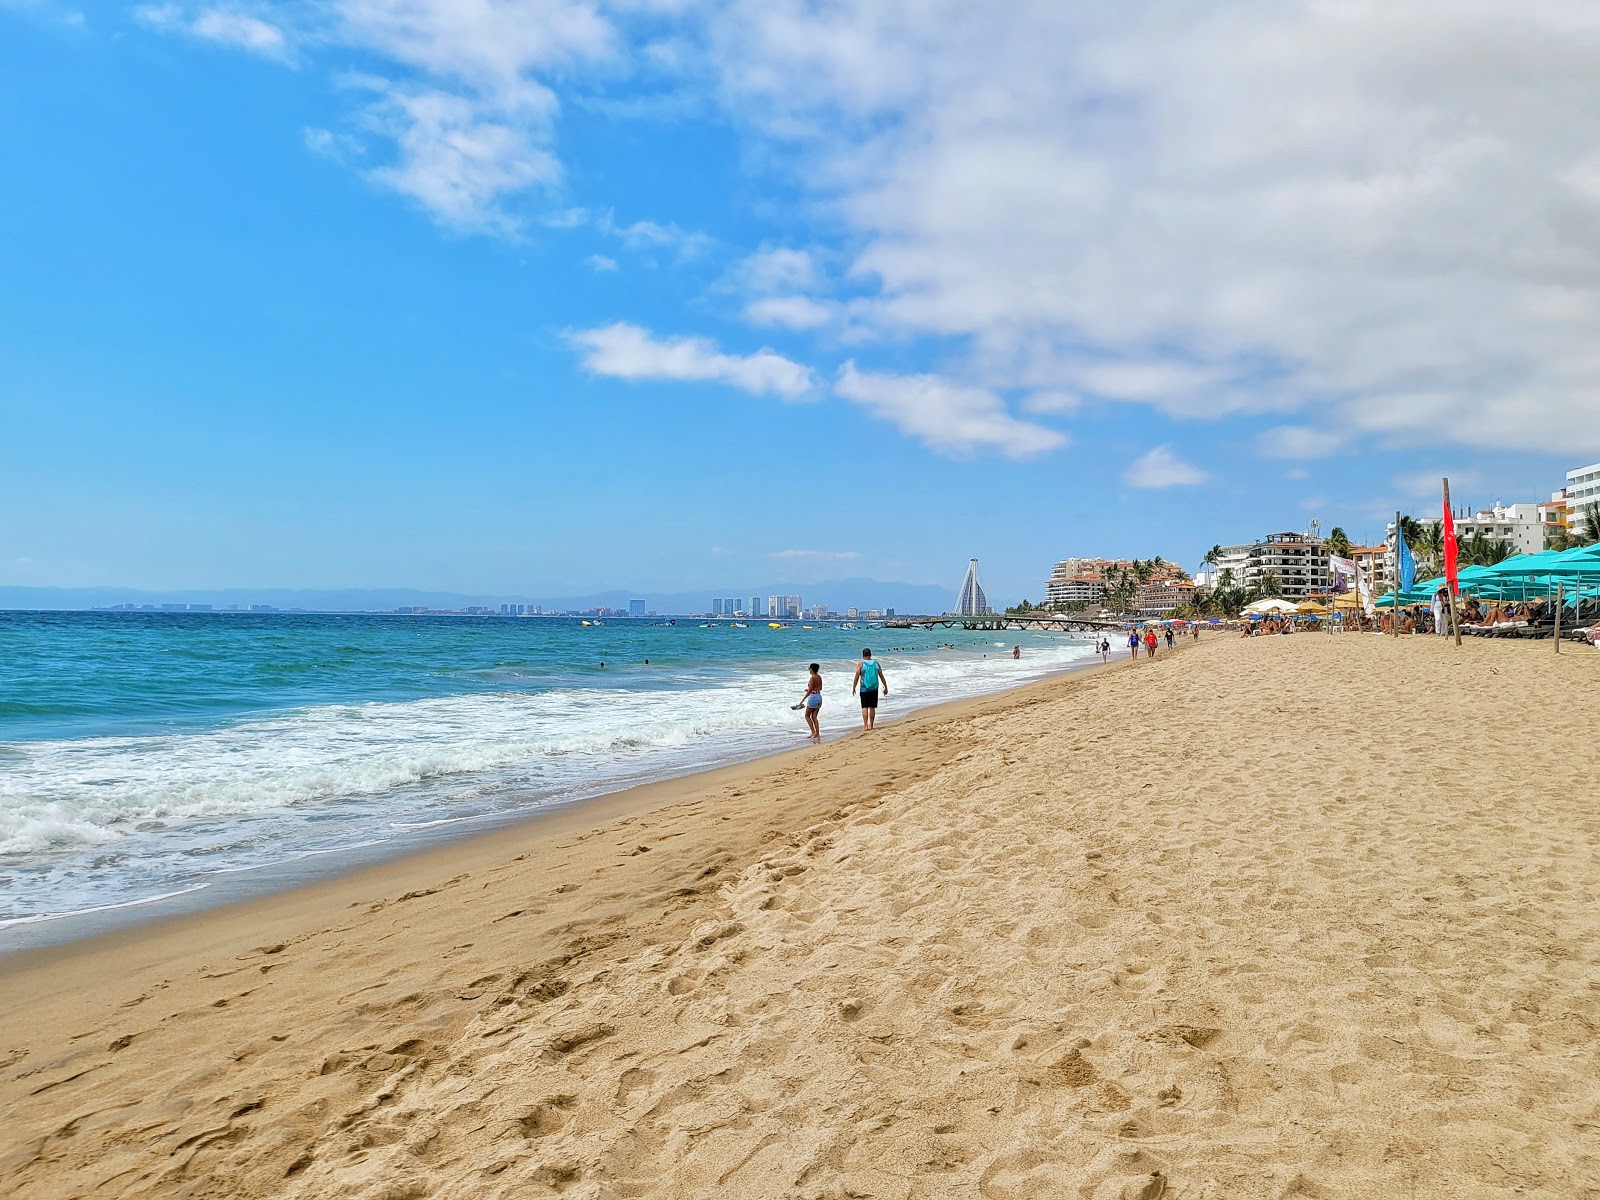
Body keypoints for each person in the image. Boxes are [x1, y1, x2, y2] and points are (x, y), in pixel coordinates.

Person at [852, 648, 888, 730]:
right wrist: (885, 686)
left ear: (863, 655)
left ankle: (865, 725)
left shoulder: (861, 664)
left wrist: (854, 687)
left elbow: (856, 676)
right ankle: (871, 725)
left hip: (864, 688)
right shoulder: (876, 663)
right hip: (874, 688)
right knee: (872, 707)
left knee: (864, 707)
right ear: (870, 654)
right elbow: (881, 676)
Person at [800, 662, 823, 741]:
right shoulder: (819, 677)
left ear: (812, 669)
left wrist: (802, 700)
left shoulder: (812, 678)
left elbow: (810, 690)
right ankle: (817, 733)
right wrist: (810, 690)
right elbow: (819, 688)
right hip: (819, 697)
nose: (809, 670)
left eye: (809, 669)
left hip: (813, 698)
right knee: (814, 717)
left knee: (807, 716)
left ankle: (813, 732)